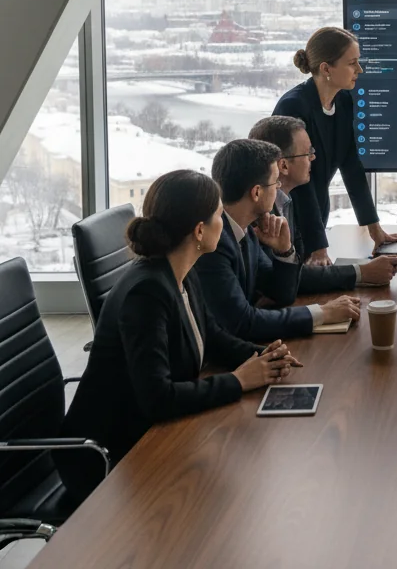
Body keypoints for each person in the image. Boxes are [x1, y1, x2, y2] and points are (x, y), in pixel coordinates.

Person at [56, 170, 300, 503]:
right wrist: (240, 381)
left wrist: (262, 357)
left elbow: (210, 335)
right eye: (217, 215)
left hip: (148, 434)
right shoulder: (147, 293)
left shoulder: (181, 269)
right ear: (199, 231)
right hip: (108, 455)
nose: (223, 222)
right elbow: (157, 399)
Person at [195, 139, 361, 343]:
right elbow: (242, 323)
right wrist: (322, 313)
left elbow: (282, 293)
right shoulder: (214, 243)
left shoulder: (246, 229)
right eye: (275, 182)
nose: (278, 188)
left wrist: (284, 250)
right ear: (257, 192)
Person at [274, 27, 397, 266]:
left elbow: (351, 165)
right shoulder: (293, 107)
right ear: (326, 68)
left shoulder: (343, 100)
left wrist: (375, 230)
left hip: (317, 214)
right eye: (352, 63)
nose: (360, 70)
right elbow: (301, 183)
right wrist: (319, 246)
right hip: (287, 221)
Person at [248, 115, 397, 290]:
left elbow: (297, 268)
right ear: (283, 166)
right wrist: (362, 273)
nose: (313, 158)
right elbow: (286, 280)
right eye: (308, 153)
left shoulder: (289, 202)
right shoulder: (258, 215)